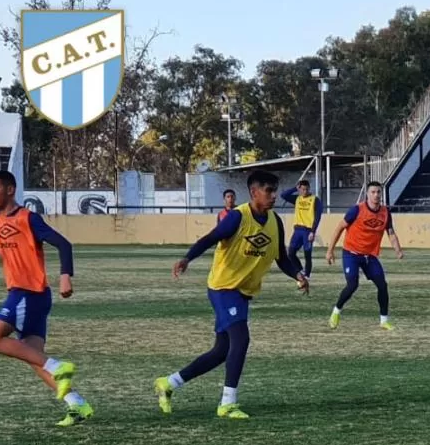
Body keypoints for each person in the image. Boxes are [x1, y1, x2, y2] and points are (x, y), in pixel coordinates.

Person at [154, 170, 308, 420]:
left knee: (221, 351)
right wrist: (187, 258)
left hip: (242, 291)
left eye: (274, 190)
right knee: (241, 339)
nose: (273, 196)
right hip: (223, 288)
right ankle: (227, 403)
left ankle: (169, 383)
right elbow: (210, 238)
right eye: (268, 190)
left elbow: (281, 257)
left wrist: (298, 274)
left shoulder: (275, 221)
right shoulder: (238, 217)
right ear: (253, 193)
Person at [0, 169, 93, 426]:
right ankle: (77, 404)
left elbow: (64, 244)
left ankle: (57, 365)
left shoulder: (28, 218)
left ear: (10, 189)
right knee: (32, 355)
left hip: (28, 292)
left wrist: (65, 275)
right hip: (28, 296)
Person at [325, 182, 404, 330]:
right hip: (351, 253)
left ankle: (384, 321)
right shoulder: (356, 210)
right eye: (373, 192)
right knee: (353, 285)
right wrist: (330, 250)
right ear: (367, 194)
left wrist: (398, 250)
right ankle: (336, 312)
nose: (376, 195)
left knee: (382, 285)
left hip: (370, 256)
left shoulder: (385, 212)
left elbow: (391, 233)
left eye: (378, 192)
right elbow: (339, 228)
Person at [280, 179, 322, 278]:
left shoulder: (315, 200)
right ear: (300, 189)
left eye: (306, 189)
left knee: (307, 254)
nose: (305, 192)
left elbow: (317, 217)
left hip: (308, 231)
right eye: (302, 189)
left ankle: (307, 275)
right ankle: (300, 270)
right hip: (297, 230)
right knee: (291, 253)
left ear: (309, 188)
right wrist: (295, 188)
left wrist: (313, 231)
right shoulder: (297, 199)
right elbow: (283, 195)